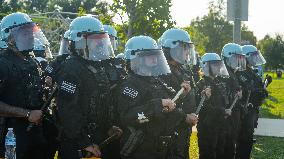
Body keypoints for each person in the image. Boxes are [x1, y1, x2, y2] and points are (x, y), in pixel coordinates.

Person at [55, 15, 122, 159]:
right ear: (80, 41)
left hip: (96, 139)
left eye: (101, 39)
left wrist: (108, 127)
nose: (99, 44)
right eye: (95, 40)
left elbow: (101, 103)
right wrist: (84, 142)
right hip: (77, 144)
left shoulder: (96, 66)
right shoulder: (71, 67)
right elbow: (67, 110)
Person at [118, 35, 194, 159]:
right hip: (141, 150)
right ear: (136, 58)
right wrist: (157, 105)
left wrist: (182, 97)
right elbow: (129, 117)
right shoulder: (129, 85)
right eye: (149, 56)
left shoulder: (156, 81)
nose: (155, 59)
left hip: (163, 149)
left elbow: (169, 108)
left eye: (156, 55)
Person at [0, 12, 51, 159]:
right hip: (10, 137)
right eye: (24, 33)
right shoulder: (2, 63)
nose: (30, 36)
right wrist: (27, 114)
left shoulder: (32, 61)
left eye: (31, 32)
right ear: (9, 37)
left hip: (36, 135)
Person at [158, 28, 198, 159]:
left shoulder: (183, 69)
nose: (187, 52)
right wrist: (184, 117)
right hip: (167, 132)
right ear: (171, 48)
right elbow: (162, 105)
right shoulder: (160, 71)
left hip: (182, 131)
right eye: (184, 48)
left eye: (187, 48)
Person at [197, 53, 232, 159]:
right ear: (206, 66)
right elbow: (203, 107)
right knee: (208, 153)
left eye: (219, 64)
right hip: (207, 126)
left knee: (220, 151)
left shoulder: (218, 82)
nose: (219, 67)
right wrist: (223, 111)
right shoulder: (202, 84)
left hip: (220, 123)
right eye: (215, 64)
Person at [235, 45, 268, 159]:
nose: (256, 59)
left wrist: (264, 89)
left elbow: (259, 89)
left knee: (248, 140)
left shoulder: (252, 72)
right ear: (246, 57)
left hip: (253, 112)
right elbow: (246, 91)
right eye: (253, 56)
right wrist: (258, 92)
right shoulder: (239, 72)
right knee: (242, 142)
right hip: (244, 112)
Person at [221, 43, 244, 159]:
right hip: (227, 118)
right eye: (236, 58)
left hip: (233, 116)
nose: (238, 61)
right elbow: (222, 97)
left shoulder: (232, 73)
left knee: (230, 146)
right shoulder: (224, 73)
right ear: (228, 57)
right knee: (226, 148)